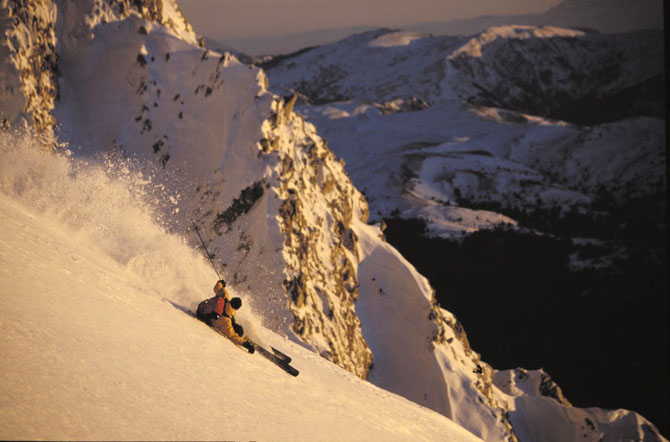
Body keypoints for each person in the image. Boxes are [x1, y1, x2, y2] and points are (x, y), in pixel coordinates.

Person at [196, 280, 255, 353]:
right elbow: (232, 335)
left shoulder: (224, 295)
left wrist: (221, 283)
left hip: (201, 306)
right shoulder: (226, 320)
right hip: (203, 315)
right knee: (236, 328)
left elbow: (218, 287)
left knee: (235, 325)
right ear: (236, 308)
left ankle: (243, 337)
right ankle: (243, 338)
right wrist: (244, 344)